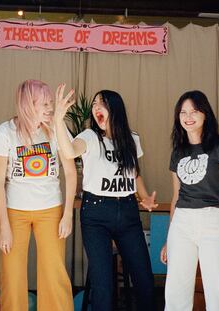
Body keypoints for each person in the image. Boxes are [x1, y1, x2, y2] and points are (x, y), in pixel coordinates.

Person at [54, 85, 156, 311]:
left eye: (102, 103)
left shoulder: (132, 138)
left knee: (144, 279)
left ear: (115, 109)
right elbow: (70, 151)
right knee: (103, 285)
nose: (96, 107)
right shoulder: (89, 137)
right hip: (96, 214)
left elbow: (134, 172)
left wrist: (145, 196)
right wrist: (59, 120)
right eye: (94, 104)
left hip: (128, 211)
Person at [0, 79, 76, 311]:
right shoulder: (5, 131)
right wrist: (4, 226)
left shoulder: (57, 130)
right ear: (28, 104)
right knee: (12, 273)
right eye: (44, 104)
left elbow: (70, 172)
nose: (50, 109)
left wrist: (67, 214)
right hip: (15, 212)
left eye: (51, 104)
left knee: (53, 271)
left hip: (51, 211)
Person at [160, 90, 219, 311]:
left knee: (216, 290)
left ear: (205, 114)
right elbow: (176, 196)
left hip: (214, 220)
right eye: (183, 112)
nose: (188, 117)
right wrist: (169, 238)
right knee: (176, 290)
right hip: (182, 222)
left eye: (194, 111)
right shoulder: (178, 152)